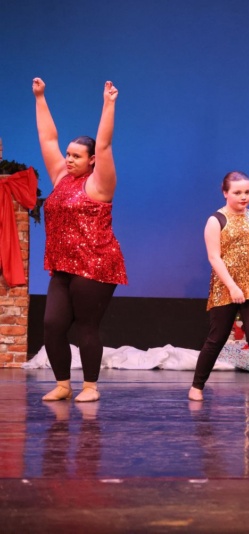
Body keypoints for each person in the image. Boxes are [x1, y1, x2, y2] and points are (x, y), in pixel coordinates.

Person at [33, 77, 127, 403]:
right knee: (52, 325)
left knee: (87, 326)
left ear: (91, 160)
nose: (69, 159)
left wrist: (109, 104)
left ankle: (90, 387)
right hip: (62, 265)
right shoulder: (61, 178)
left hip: (96, 264)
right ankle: (63, 384)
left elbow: (105, 145)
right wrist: (40, 97)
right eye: (68, 154)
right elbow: (48, 138)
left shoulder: (100, 184)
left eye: (76, 156)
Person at [189, 171, 249, 403]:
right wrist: (233, 287)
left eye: (247, 192)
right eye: (237, 192)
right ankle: (197, 386)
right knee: (217, 338)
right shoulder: (216, 220)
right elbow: (214, 257)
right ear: (225, 193)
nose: (244, 197)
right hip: (225, 287)